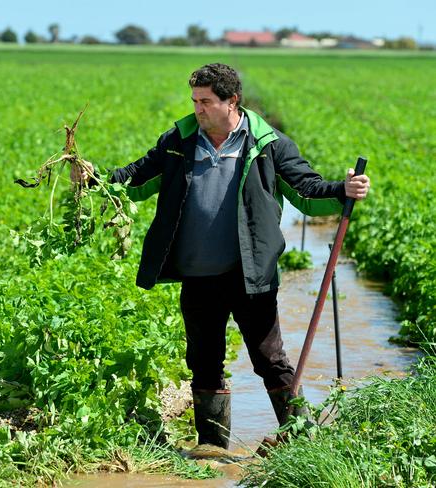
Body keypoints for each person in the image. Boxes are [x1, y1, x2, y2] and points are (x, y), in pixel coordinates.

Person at [71, 63, 370, 453]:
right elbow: (136, 178)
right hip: (198, 276)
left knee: (269, 358)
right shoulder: (179, 142)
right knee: (204, 360)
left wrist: (343, 189)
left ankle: (304, 439)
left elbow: (307, 191)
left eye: (206, 101)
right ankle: (212, 448)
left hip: (250, 274)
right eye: (195, 100)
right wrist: (95, 181)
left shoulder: (269, 144)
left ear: (233, 101)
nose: (198, 109)